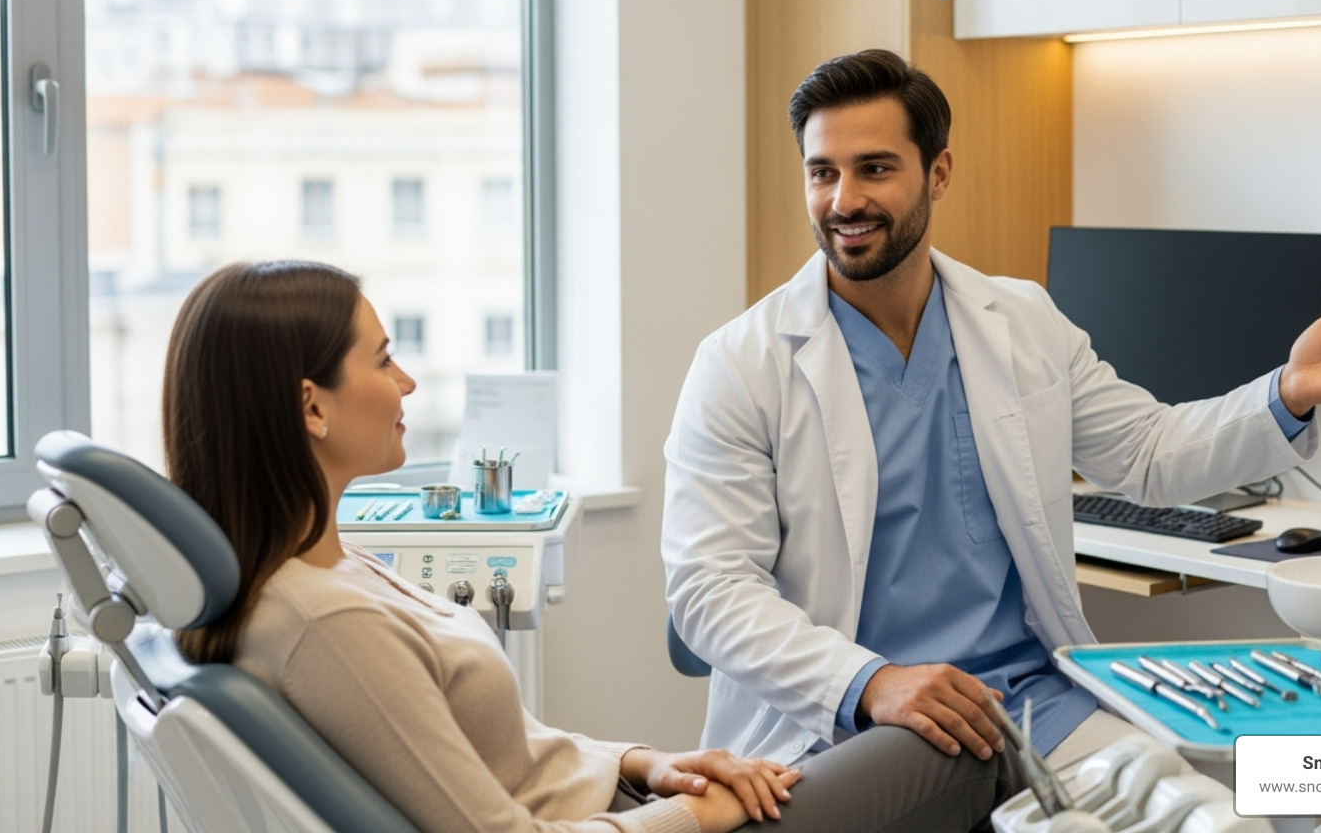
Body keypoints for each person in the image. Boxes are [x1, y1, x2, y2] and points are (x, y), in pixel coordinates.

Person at [661, 49, 1321, 771]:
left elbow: (1148, 453)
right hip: (847, 722)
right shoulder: (741, 363)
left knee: (1203, 811)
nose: (843, 200)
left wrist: (1287, 393)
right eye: (821, 172)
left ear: (938, 174)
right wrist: (871, 682)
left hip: (1026, 702)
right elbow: (709, 590)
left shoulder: (1021, 321)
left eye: (875, 169)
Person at [162, 259, 1019, 833]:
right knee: (967, 744)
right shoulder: (324, 625)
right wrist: (699, 815)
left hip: (627, 802)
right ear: (312, 406)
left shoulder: (331, 567)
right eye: (383, 360)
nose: (406, 383)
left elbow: (518, 758)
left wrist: (649, 764)